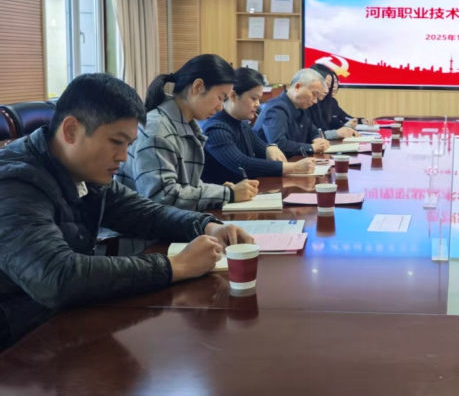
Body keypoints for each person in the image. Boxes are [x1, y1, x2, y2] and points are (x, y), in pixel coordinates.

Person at [0, 73, 252, 349]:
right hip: (18, 344)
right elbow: (56, 277)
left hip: (63, 322)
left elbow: (145, 213)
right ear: (71, 130)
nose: (123, 157)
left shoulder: (83, 171)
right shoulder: (13, 183)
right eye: (116, 142)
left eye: (128, 145)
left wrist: (206, 225)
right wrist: (175, 266)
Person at [116, 54, 258, 211]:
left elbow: (186, 186)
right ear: (198, 87)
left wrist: (219, 192)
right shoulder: (157, 129)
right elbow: (161, 197)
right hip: (140, 225)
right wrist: (227, 194)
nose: (220, 107)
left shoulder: (186, 126)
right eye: (220, 98)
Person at [201, 68, 316, 185]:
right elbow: (242, 164)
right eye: (253, 98)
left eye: (259, 99)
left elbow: (264, 149)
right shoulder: (216, 129)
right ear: (233, 96)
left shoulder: (242, 124)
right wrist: (293, 168)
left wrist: (270, 147)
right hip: (227, 195)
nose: (257, 104)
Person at [253, 68, 331, 158]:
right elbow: (278, 144)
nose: (315, 101)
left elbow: (313, 131)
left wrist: (317, 139)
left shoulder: (300, 107)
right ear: (297, 87)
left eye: (317, 97)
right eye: (314, 94)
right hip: (270, 165)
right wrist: (312, 148)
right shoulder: (276, 109)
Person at [310, 63, 376, 130]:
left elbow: (345, 118)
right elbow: (317, 132)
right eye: (326, 85)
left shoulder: (331, 102)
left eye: (331, 85)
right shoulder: (309, 103)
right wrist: (343, 128)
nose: (333, 87)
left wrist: (361, 120)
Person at [306, 64, 359, 139]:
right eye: (324, 85)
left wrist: (346, 129)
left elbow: (333, 124)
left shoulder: (328, 102)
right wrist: (336, 133)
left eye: (329, 87)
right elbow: (309, 136)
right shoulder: (305, 105)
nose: (327, 91)